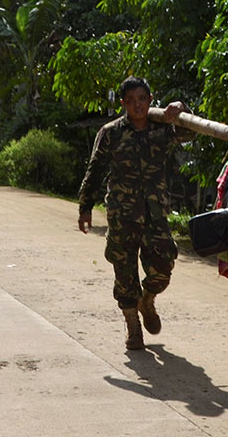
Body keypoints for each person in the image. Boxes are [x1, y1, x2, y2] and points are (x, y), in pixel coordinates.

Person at [77, 76, 191, 350]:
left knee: (163, 266)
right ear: (123, 104)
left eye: (142, 99)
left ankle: (147, 300)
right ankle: (132, 327)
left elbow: (191, 132)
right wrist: (85, 206)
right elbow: (95, 168)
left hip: (155, 213)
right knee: (124, 272)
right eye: (131, 101)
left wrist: (182, 108)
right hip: (122, 214)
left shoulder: (163, 128)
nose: (137, 105)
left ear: (150, 100)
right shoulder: (112, 132)